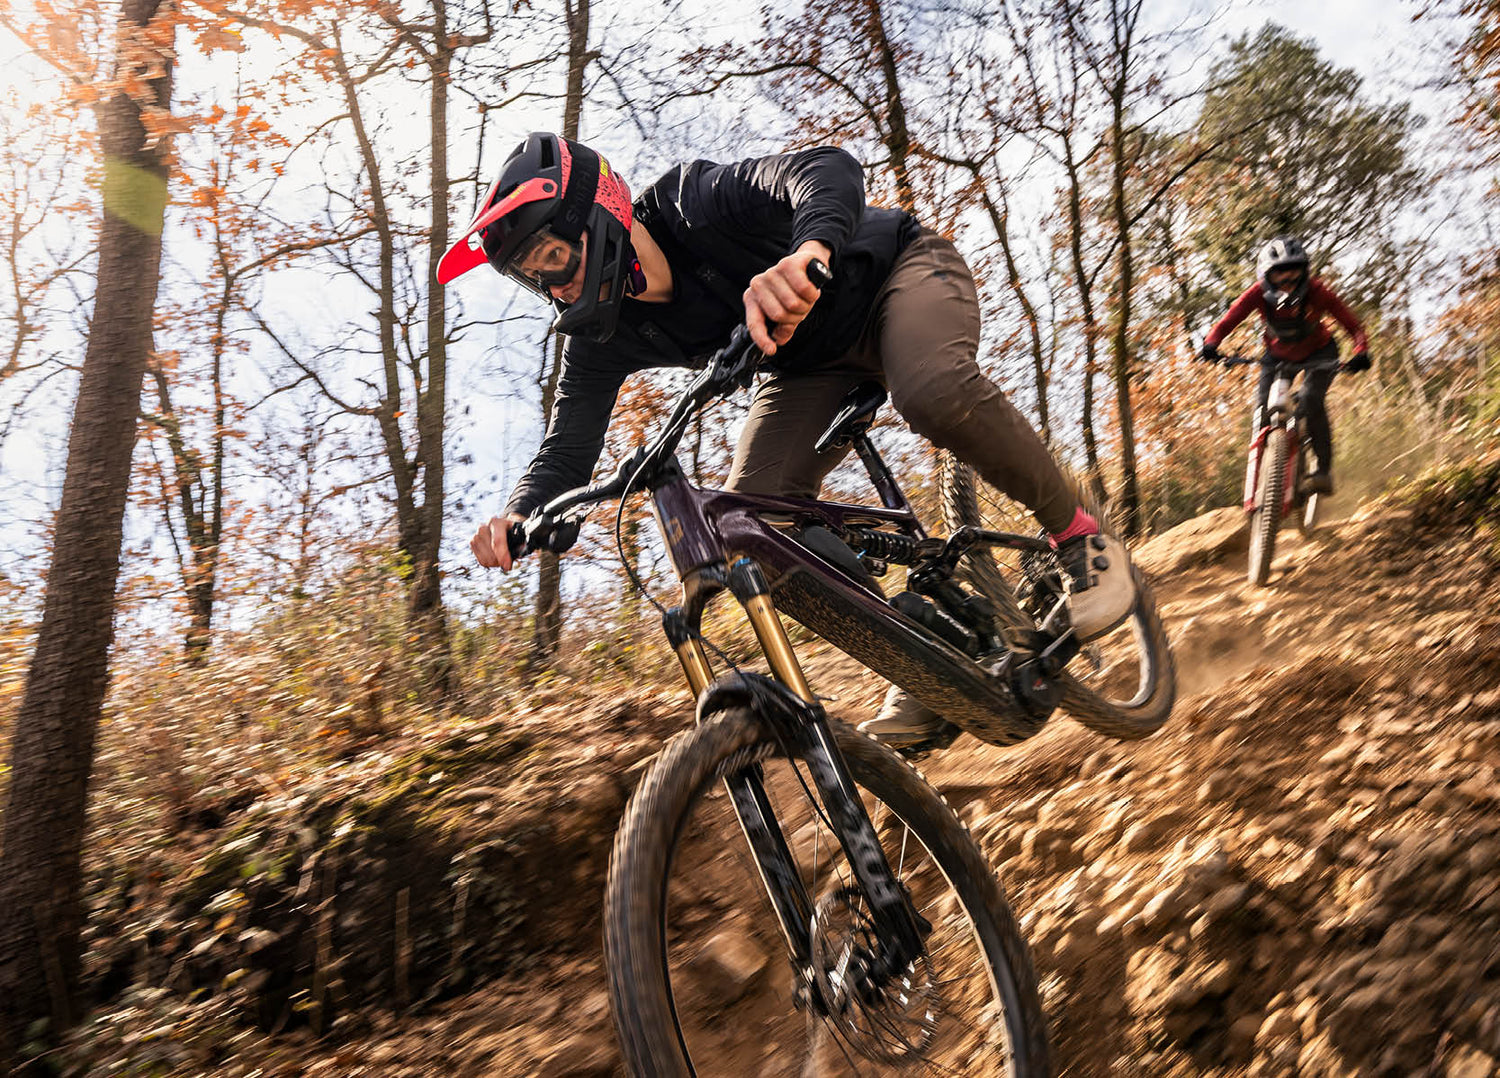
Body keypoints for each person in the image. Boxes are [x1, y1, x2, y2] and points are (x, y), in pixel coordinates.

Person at [444, 132, 1138, 748]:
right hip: (804, 366)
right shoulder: (604, 338)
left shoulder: (693, 203)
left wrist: (806, 252)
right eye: (536, 277)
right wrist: (524, 511)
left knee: (928, 388)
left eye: (554, 256)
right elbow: (568, 441)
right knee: (750, 525)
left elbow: (824, 169)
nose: (554, 285)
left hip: (894, 274)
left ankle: (1081, 537)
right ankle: (934, 656)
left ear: (599, 212)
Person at [1198, 236, 1370, 495]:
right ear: (1266, 275)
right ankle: (1263, 481)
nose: (1288, 281)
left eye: (1295, 273)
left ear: (1305, 271)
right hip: (1277, 356)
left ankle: (1322, 472)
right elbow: (1227, 321)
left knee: (1312, 400)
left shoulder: (1318, 292)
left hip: (1320, 352)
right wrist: (1211, 344)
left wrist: (1361, 352)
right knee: (1262, 411)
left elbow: (1354, 327)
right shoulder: (1257, 294)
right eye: (1280, 275)